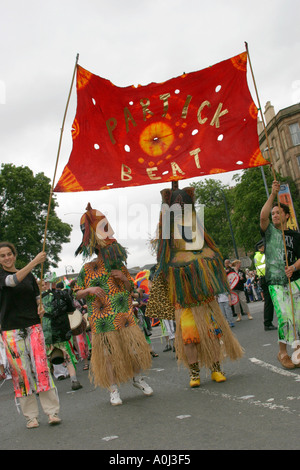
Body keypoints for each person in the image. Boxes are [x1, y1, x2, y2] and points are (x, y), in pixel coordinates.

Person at [146, 187, 244, 387]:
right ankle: (194, 374)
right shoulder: (168, 232)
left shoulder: (196, 228)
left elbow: (211, 254)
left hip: (205, 298)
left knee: (213, 334)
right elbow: (163, 260)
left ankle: (216, 369)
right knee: (189, 338)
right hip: (185, 300)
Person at [74, 203, 153, 406]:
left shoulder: (120, 266)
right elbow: (76, 292)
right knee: (108, 357)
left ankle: (137, 379)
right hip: (102, 321)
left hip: (124, 317)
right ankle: (113, 390)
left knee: (132, 350)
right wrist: (90, 290)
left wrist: (124, 279)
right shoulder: (87, 268)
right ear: (97, 250)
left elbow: (130, 289)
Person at [0, 242, 61, 429]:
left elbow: (36, 299)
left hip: (33, 326)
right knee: (21, 373)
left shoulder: (30, 277)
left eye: (9, 254)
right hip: (11, 330)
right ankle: (31, 416)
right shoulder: (3, 276)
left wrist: (40, 307)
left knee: (41, 368)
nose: (7, 258)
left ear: (15, 255)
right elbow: (12, 281)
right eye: (2, 256)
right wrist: (34, 262)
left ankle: (52, 412)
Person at [260, 180, 300, 369]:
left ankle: (297, 351)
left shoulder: (295, 235)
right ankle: (282, 352)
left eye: (278, 212)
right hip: (276, 281)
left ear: (286, 215)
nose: (274, 215)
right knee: (284, 316)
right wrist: (273, 194)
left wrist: (294, 267)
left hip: (295, 280)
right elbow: (263, 216)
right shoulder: (269, 232)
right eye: (273, 213)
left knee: (297, 317)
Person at [41, 280, 83, 391]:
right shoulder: (64, 294)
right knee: (67, 355)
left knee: (44, 359)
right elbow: (71, 310)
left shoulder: (41, 297)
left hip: (46, 332)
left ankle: (45, 385)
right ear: (55, 283)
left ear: (46, 283)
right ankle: (74, 380)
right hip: (61, 330)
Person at [254, 240, 276, 331]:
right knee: (269, 302)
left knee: (270, 301)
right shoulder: (260, 256)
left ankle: (268, 322)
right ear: (260, 248)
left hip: (265, 279)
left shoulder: (258, 255)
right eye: (264, 247)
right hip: (265, 279)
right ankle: (267, 323)